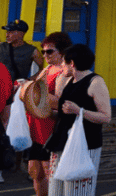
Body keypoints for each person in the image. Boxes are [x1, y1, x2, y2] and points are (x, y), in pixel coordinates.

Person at [47, 44, 111, 196]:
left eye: (64, 62)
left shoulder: (95, 82)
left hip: (84, 145)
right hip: (61, 141)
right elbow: (64, 114)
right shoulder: (69, 80)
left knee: (77, 192)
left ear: (72, 63)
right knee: (55, 192)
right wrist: (48, 113)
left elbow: (106, 117)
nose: (61, 65)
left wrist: (79, 111)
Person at [21, 32, 71, 196]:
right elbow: (34, 88)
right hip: (36, 127)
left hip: (49, 130)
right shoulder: (48, 69)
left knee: (50, 172)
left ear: (62, 51)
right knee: (35, 172)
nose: (45, 55)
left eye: (49, 51)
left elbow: (60, 103)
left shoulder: (64, 73)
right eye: (43, 51)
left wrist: (35, 94)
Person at [0, 19, 43, 126]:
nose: (7, 34)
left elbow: (42, 70)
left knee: (8, 123)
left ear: (21, 34)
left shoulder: (32, 51)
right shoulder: (1, 46)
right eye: (7, 31)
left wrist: (28, 80)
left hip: (15, 91)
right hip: (1, 88)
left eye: (11, 32)